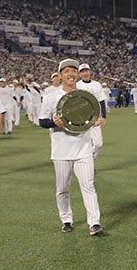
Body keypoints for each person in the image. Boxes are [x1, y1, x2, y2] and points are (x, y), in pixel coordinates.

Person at [38, 59, 106, 235]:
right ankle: (66, 219)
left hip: (83, 149)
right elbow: (42, 121)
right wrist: (53, 122)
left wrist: (96, 121)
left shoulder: (85, 97)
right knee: (62, 189)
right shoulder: (51, 97)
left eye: (74, 71)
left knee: (88, 186)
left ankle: (94, 223)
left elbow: (90, 118)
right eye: (66, 71)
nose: (71, 74)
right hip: (61, 151)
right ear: (60, 75)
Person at [75, 63, 109, 159]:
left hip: (95, 118)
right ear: (79, 74)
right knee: (82, 144)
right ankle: (85, 163)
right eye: (82, 71)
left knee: (98, 144)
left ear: (90, 72)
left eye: (86, 71)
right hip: (82, 118)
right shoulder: (77, 85)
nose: (85, 73)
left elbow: (101, 100)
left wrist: (104, 117)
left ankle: (90, 160)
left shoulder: (96, 84)